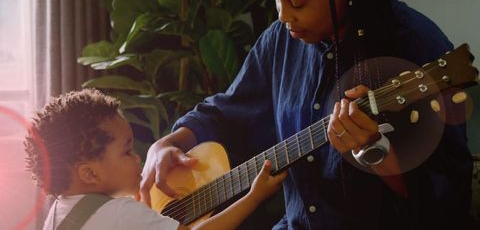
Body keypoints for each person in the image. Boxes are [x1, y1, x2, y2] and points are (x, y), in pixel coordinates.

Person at [140, 0, 473, 229]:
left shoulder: (412, 42)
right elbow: (231, 111)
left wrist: (377, 153)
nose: (284, 16)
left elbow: (448, 201)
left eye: (296, 1)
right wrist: (173, 141)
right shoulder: (280, 39)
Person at [24, 88, 287, 230]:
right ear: (89, 174)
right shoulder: (120, 214)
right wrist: (253, 198)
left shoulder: (60, 212)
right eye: (127, 152)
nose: (139, 158)